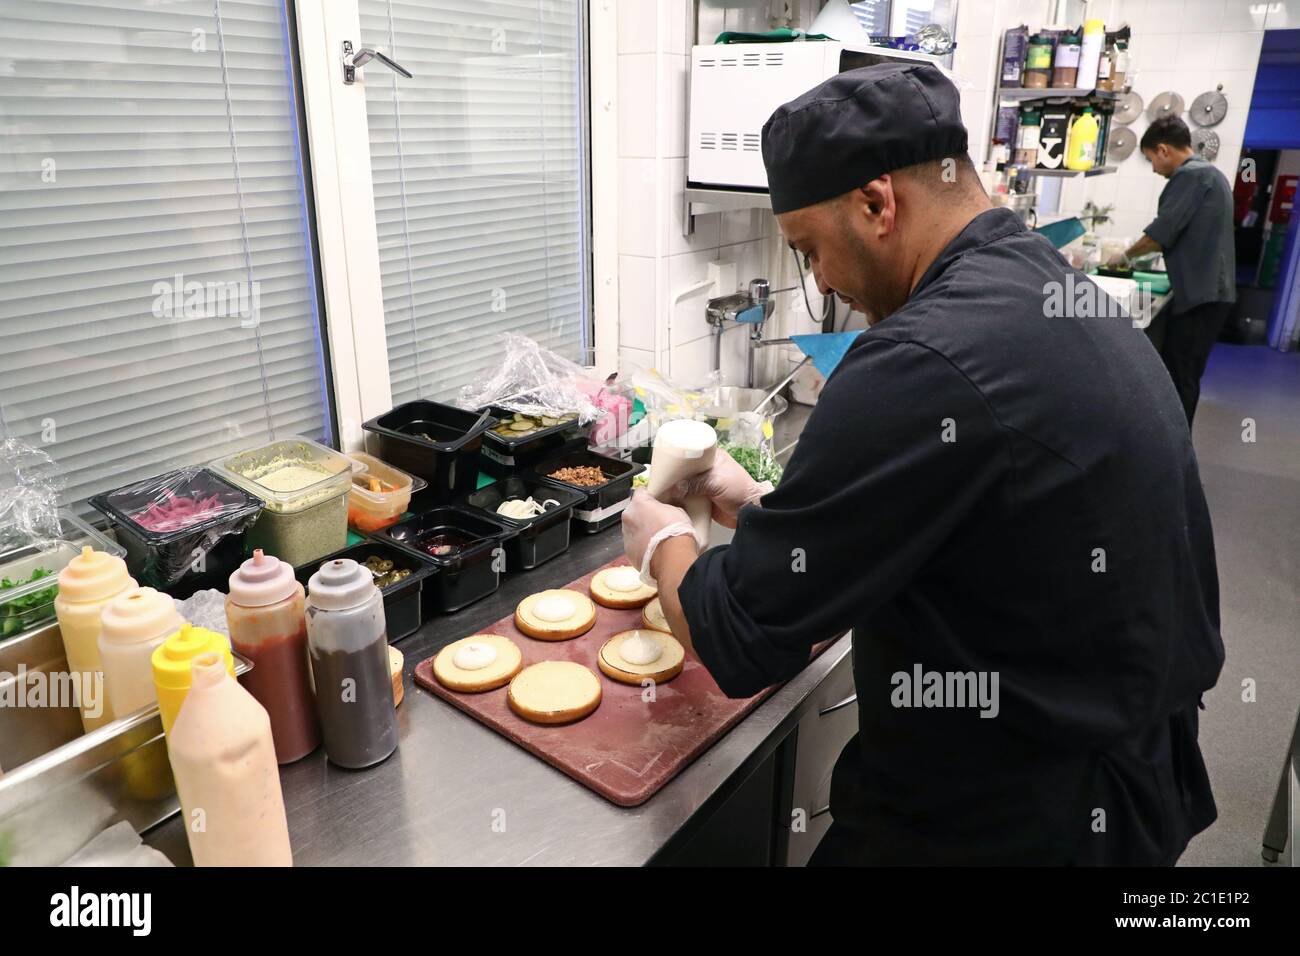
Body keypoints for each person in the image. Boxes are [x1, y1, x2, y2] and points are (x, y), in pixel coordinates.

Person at [622, 63, 1224, 866]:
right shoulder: (1047, 285)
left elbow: (739, 641)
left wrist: (661, 539)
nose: (822, 282)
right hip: (1130, 767)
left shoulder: (919, 360)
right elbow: (975, 514)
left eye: (809, 250)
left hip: (1018, 817)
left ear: (876, 203)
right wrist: (767, 502)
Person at [1107, 115, 1237, 425]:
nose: (1153, 168)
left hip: (1201, 296)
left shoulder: (1190, 177)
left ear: (1163, 150)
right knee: (1184, 375)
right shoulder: (1210, 174)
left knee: (1181, 379)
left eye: (1151, 159)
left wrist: (1121, 257)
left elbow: (1159, 235)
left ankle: (1177, 460)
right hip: (1209, 292)